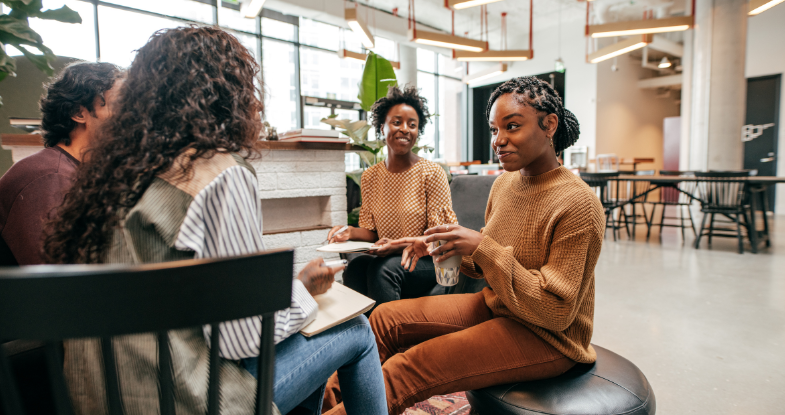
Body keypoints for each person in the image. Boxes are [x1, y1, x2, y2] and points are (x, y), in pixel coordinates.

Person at [44, 27, 386, 415]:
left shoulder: (111, 176)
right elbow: (239, 339)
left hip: (99, 398)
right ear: (229, 94)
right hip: (185, 401)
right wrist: (303, 292)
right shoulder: (217, 171)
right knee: (354, 331)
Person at [323, 76, 605, 415]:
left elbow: (555, 312)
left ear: (549, 125)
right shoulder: (505, 184)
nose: (498, 141)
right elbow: (483, 261)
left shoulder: (579, 203)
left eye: (512, 126)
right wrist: (442, 246)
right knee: (382, 320)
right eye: (493, 130)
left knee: (406, 369)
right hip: (499, 305)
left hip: (549, 337)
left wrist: (480, 246)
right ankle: (314, 405)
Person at [327, 85, 457, 310]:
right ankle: (363, 337)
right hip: (390, 257)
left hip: (427, 260)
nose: (405, 129)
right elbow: (372, 233)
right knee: (357, 267)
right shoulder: (370, 177)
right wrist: (349, 231)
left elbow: (442, 238)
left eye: (412, 124)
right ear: (382, 127)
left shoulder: (432, 173)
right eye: (397, 122)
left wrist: (396, 247)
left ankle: (390, 341)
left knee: (383, 268)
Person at [0, 61, 123, 266]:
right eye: (119, 105)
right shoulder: (49, 177)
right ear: (78, 113)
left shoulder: (81, 173)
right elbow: (57, 281)